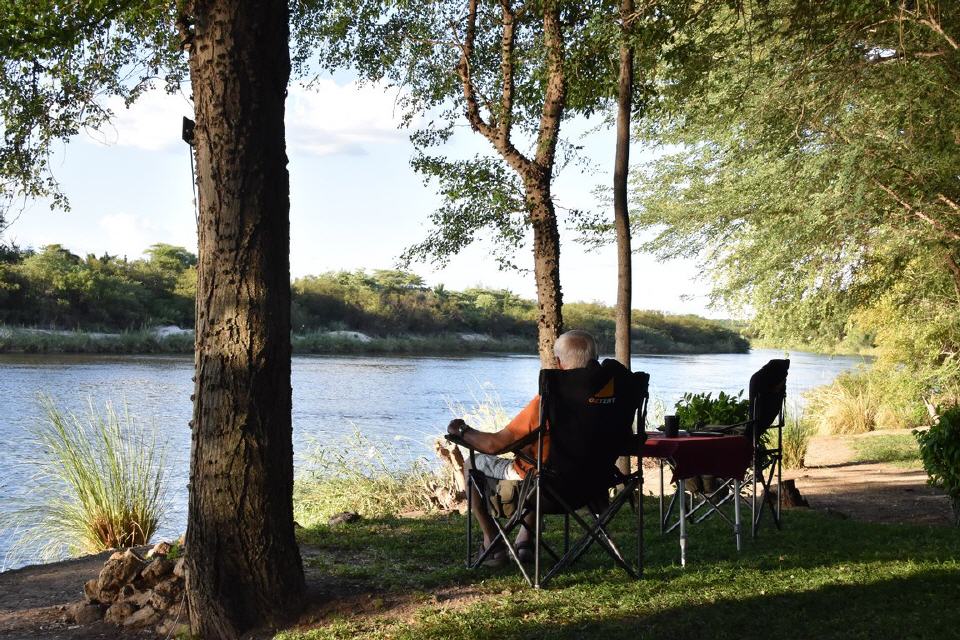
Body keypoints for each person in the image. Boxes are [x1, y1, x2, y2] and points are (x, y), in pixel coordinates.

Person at [446, 329, 598, 565]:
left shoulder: (549, 401)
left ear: (558, 363)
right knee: (538, 462)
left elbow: (494, 445)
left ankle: (493, 543)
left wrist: (464, 431)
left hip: (548, 488)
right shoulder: (611, 401)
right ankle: (525, 541)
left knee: (472, 464)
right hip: (591, 487)